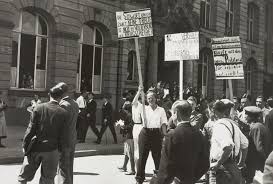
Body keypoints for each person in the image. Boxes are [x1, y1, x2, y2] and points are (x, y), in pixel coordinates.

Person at [150, 100, 210, 184]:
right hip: (190, 180)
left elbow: (165, 166)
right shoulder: (199, 135)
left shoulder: (171, 135)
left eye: (172, 114)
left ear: (177, 113)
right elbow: (205, 164)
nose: (172, 117)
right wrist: (191, 178)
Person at [18, 85, 67, 184]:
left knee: (24, 177)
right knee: (48, 179)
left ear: (49, 95)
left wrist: (25, 144)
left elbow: (30, 129)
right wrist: (60, 150)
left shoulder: (38, 108)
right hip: (52, 149)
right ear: (61, 97)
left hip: (35, 147)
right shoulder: (63, 113)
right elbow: (63, 135)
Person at [133, 86, 168, 184]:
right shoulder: (143, 108)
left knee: (157, 157)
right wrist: (139, 92)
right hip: (145, 133)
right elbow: (134, 103)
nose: (150, 100)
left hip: (156, 134)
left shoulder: (161, 110)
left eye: (152, 98)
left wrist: (165, 135)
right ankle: (139, 179)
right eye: (148, 98)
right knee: (142, 157)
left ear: (156, 98)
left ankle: (159, 178)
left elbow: (164, 123)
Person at [209, 100, 248, 184]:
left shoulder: (219, 125)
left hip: (223, 169)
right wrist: (241, 163)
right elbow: (245, 145)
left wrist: (218, 164)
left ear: (214, 112)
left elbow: (228, 146)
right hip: (233, 167)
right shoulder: (233, 125)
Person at [56, 82, 79, 184]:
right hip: (72, 137)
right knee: (69, 165)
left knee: (63, 166)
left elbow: (59, 125)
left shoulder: (62, 105)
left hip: (64, 139)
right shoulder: (75, 103)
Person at [243, 106, 272, 183]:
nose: (244, 116)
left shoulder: (256, 127)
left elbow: (259, 148)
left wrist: (264, 162)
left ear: (251, 117)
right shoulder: (260, 126)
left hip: (256, 164)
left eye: (246, 114)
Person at [117, 101, 135, 175]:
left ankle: (133, 169)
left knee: (130, 153)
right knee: (127, 152)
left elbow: (131, 126)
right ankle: (124, 166)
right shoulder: (129, 115)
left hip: (130, 136)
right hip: (129, 135)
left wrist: (123, 126)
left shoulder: (130, 115)